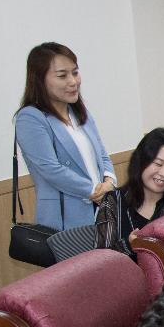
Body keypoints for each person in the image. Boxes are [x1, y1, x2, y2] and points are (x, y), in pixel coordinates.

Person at [14, 42, 116, 230]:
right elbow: (50, 169)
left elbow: (101, 154)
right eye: (62, 75)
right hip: (65, 219)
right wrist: (93, 190)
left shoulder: (79, 112)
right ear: (39, 80)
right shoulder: (30, 117)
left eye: (75, 72)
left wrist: (109, 181)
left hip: (102, 210)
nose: (73, 81)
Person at [96, 127, 164, 256]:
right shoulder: (113, 201)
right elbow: (100, 259)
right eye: (158, 164)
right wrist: (129, 245)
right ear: (141, 161)